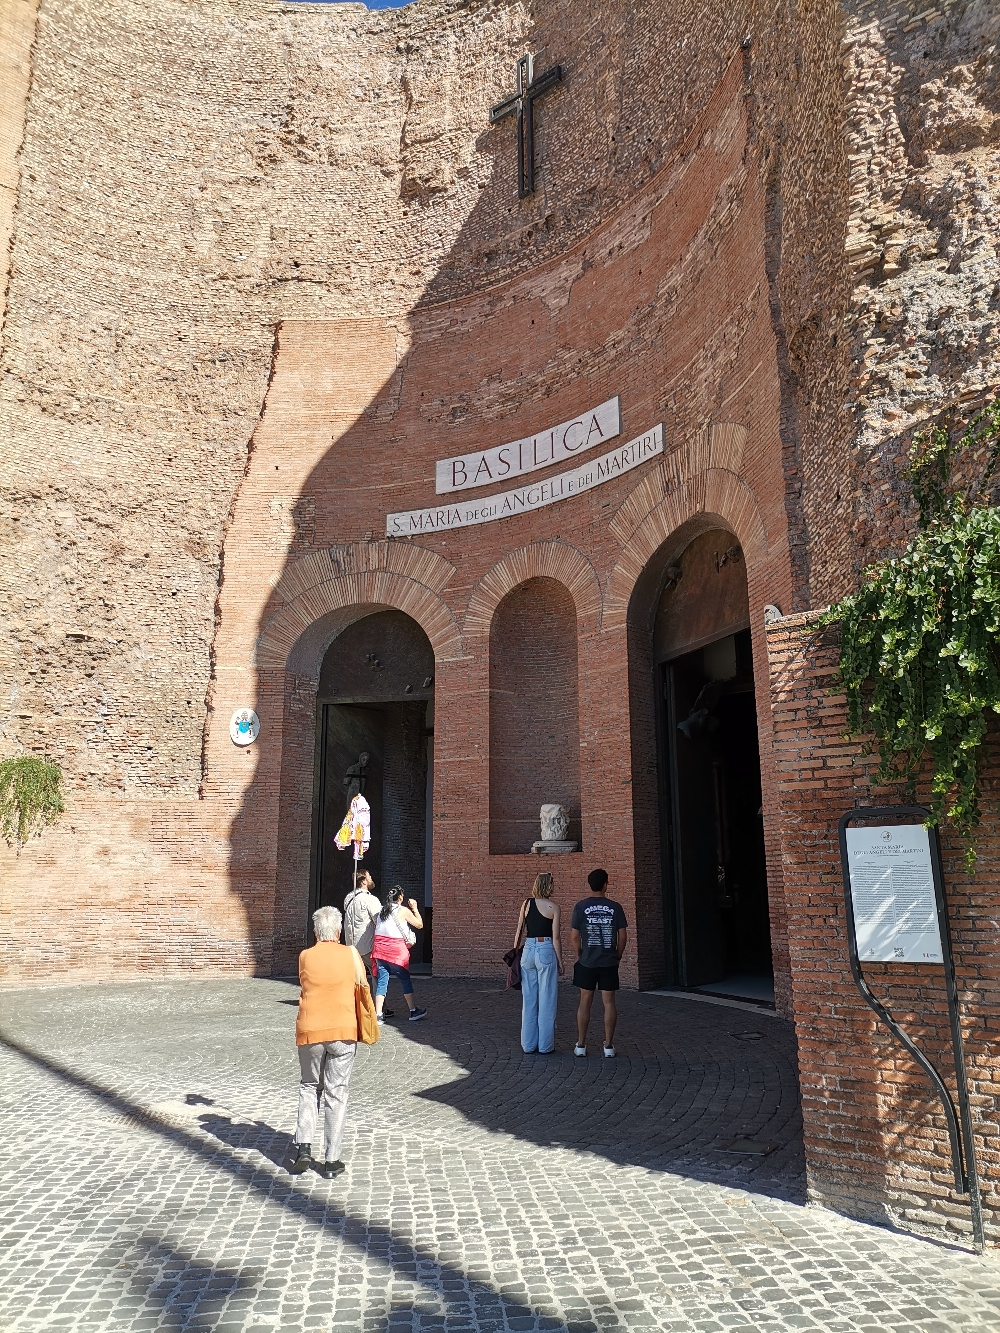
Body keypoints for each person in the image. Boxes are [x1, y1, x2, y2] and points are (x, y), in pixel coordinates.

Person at [289, 904, 370, 1179]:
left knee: (309, 1086)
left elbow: (304, 983)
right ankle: (332, 1160)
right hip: (343, 1029)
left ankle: (303, 1147)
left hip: (310, 1030)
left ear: (315, 932)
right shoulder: (351, 953)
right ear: (338, 930)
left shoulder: (305, 956)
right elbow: (363, 985)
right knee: (338, 1091)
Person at [570, 868, 628, 1058]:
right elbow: (622, 935)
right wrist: (617, 955)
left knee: (584, 1002)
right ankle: (609, 1046)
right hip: (608, 961)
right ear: (605, 884)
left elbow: (575, 936)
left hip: (587, 961)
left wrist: (580, 954)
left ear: (590, 884)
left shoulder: (580, 907)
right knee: (609, 1002)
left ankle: (581, 1044)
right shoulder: (615, 907)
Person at [512, 871, 563, 1053]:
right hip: (545, 948)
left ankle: (528, 1044)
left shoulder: (526, 904)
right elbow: (556, 938)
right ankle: (545, 1046)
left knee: (529, 1000)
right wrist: (560, 961)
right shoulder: (553, 907)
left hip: (528, 950)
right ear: (548, 886)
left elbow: (519, 931)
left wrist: (516, 952)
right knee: (547, 999)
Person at [370, 886, 427, 1022]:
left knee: (382, 982)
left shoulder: (382, 911)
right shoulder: (403, 910)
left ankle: (378, 1014)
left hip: (380, 951)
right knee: (405, 980)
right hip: (396, 952)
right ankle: (413, 1011)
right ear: (400, 898)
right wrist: (415, 908)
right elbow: (419, 925)